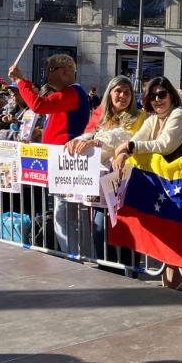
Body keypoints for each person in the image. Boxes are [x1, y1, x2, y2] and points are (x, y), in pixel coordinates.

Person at [113, 76, 182, 288]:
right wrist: (124, 152)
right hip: (166, 188)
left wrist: (129, 148)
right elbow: (139, 139)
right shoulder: (153, 119)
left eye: (162, 94)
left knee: (178, 243)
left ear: (171, 95)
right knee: (168, 244)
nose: (157, 99)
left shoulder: (179, 114)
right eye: (153, 95)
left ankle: (178, 290)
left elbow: (164, 145)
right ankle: (176, 289)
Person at [9, 55, 90, 255]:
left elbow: (38, 105)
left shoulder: (72, 93)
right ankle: (77, 254)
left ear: (64, 72)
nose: (46, 75)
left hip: (66, 163)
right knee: (67, 215)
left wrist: (20, 80)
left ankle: (74, 256)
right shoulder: (71, 94)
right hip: (61, 162)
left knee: (64, 215)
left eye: (50, 70)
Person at [66, 75, 145, 274]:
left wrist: (97, 142)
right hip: (101, 182)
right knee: (101, 227)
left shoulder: (140, 117)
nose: (123, 96)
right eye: (118, 91)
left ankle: (131, 270)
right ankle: (107, 269)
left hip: (128, 181)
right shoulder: (102, 116)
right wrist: (76, 141)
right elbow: (90, 133)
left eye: (127, 92)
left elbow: (125, 137)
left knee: (128, 228)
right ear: (110, 93)